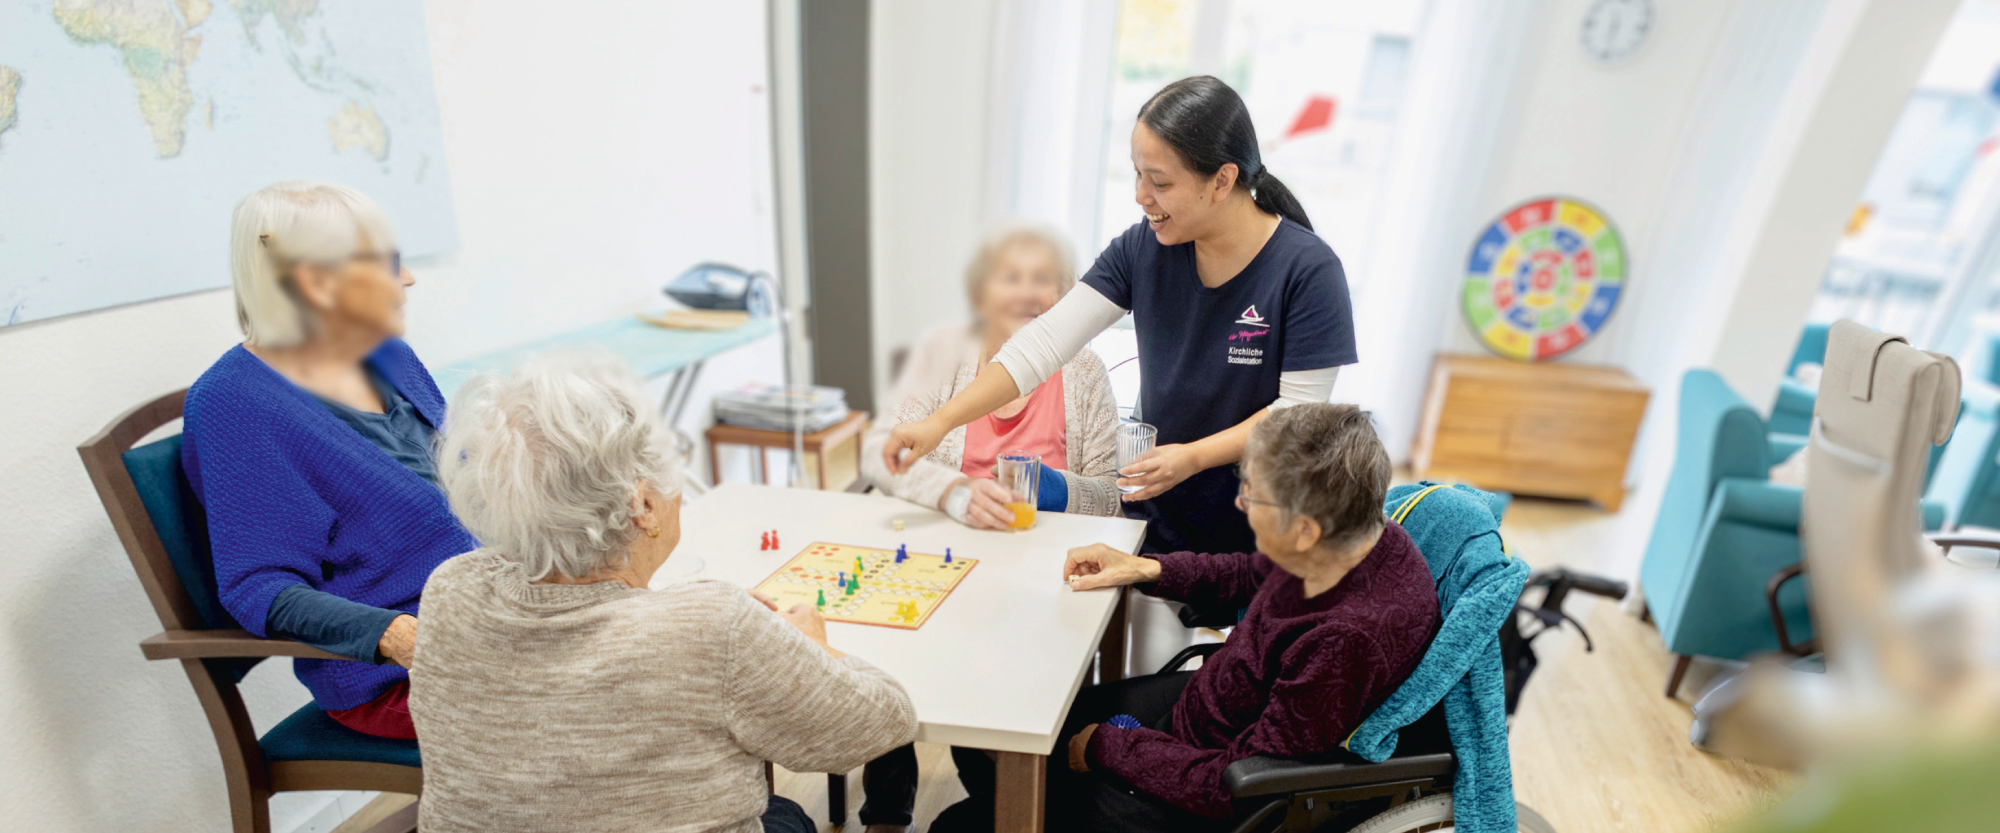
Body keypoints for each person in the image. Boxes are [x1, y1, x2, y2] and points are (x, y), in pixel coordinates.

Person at [411, 356, 918, 833]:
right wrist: (815, 645)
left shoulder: (450, 589)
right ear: (644, 505)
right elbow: (883, 722)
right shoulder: (712, 624)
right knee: (785, 815)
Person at [883, 75, 1357, 556]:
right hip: (1153, 518)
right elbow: (1043, 343)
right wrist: (940, 422)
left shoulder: (1308, 272)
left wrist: (1193, 457)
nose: (1141, 195)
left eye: (1160, 182)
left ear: (1223, 180)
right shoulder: (1142, 248)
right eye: (1137, 174)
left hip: (1256, 529)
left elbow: (1297, 414)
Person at [932, 404, 1440, 832]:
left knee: (959, 823)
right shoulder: (1358, 535)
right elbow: (1250, 572)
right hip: (1209, 708)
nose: (1241, 503)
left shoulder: (1344, 640)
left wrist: (1111, 748)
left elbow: (1239, 780)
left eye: (1252, 495)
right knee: (999, 735)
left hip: (1210, 784)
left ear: (1305, 530)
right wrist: (1142, 566)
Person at [183, 180, 471, 740]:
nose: (407, 279)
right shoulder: (235, 404)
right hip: (398, 677)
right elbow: (257, 587)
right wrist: (395, 635)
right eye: (385, 264)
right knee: (626, 690)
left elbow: (462, 483)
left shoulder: (388, 355)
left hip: (496, 621)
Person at [861, 222, 1123, 531]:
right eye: (1010, 278)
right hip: (948, 546)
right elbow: (880, 451)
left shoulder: (1087, 371)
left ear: (1066, 296)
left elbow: (1112, 499)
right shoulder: (944, 351)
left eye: (1042, 278)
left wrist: (1057, 491)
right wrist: (953, 491)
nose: (1026, 294)